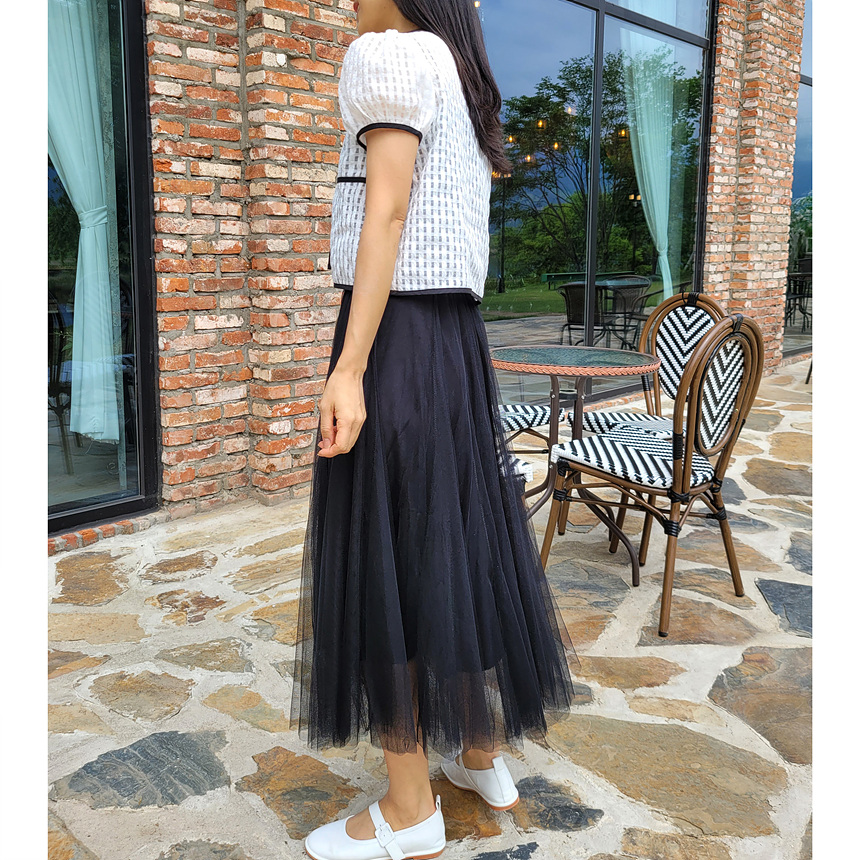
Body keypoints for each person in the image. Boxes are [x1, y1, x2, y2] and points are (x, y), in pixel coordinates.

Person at [290, 2, 578, 858]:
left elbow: (386, 211)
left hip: (398, 340)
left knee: (387, 555)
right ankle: (478, 752)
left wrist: (349, 367)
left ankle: (410, 809)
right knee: (449, 540)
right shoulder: (457, 73)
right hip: (454, 343)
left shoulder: (386, 54)